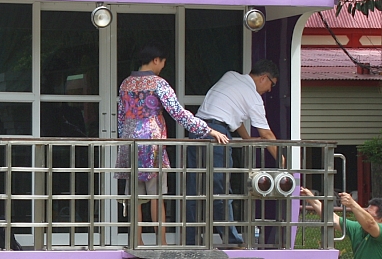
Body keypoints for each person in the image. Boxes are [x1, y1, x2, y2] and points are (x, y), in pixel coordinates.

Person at [117, 46, 229, 244]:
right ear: (156, 60)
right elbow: (177, 113)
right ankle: (161, 241)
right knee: (156, 194)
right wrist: (207, 130)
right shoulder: (158, 83)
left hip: (129, 140)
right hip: (152, 141)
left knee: (134, 196)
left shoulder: (126, 83)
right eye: (162, 62)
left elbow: (120, 117)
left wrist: (122, 138)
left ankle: (137, 241)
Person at [185, 59, 281, 246]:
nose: (270, 89)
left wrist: (245, 138)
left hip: (197, 129)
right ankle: (232, 239)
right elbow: (266, 133)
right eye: (272, 84)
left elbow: (232, 117)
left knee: (194, 190)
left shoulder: (230, 76)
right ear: (264, 78)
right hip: (217, 134)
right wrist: (283, 159)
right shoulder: (253, 97)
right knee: (221, 190)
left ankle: (191, 240)